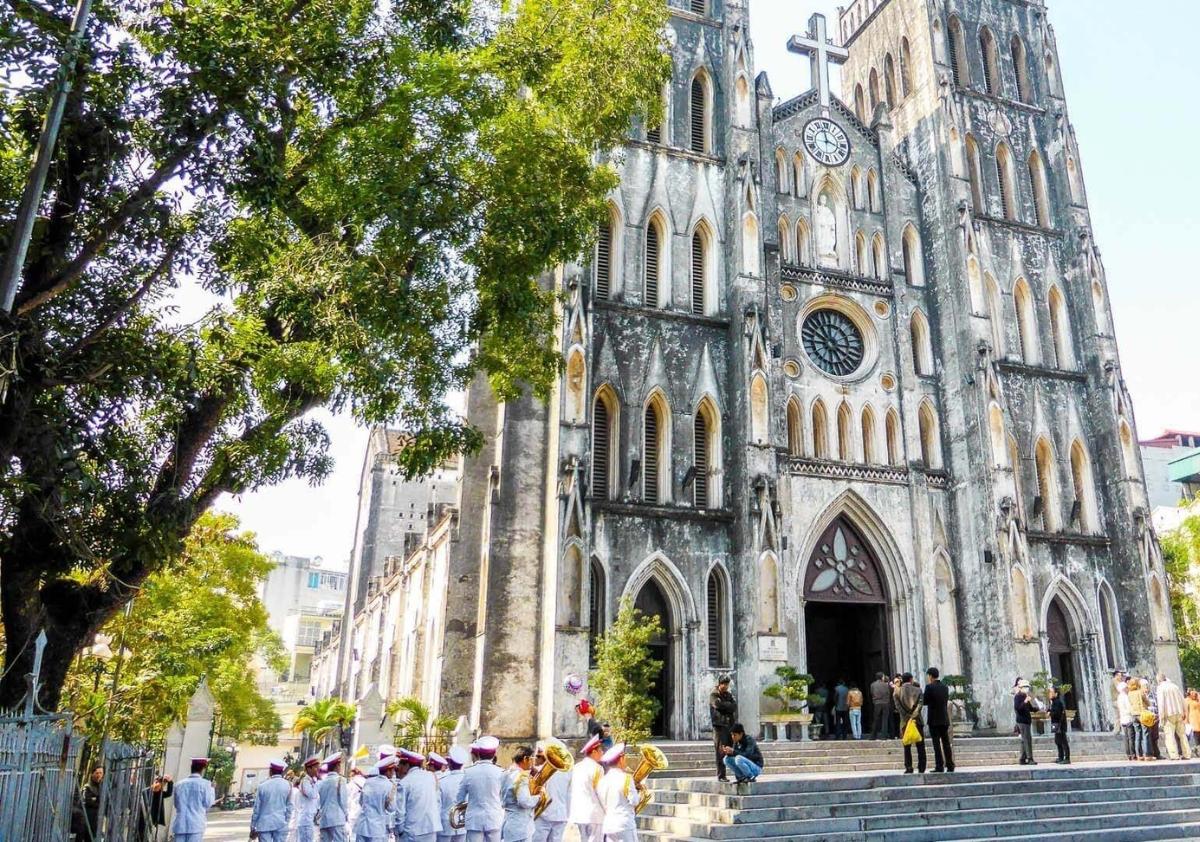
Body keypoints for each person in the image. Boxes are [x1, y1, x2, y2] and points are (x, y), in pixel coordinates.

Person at [457, 736, 506, 842]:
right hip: (495, 819)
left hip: (474, 820)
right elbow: (504, 797)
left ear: (478, 754)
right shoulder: (501, 772)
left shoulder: (469, 772)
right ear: (494, 755)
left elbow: (459, 798)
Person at [396, 748, 444, 842]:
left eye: (400, 765)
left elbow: (400, 812)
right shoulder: (431, 777)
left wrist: (400, 831)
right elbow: (438, 802)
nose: (399, 768)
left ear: (407, 765)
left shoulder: (405, 782)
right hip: (431, 828)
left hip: (412, 831)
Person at [596, 744, 638, 842]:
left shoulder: (602, 780)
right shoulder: (626, 778)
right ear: (621, 760)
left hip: (609, 824)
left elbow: (603, 803)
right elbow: (634, 801)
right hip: (624, 824)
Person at [568, 735, 605, 842]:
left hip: (579, 814)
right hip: (594, 814)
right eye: (600, 750)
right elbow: (601, 793)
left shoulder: (577, 767)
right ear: (593, 752)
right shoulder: (598, 768)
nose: (602, 753)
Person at [499, 746, 539, 841]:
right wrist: (539, 797)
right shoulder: (520, 776)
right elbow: (525, 802)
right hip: (520, 827)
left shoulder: (505, 773)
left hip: (510, 823)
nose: (533, 763)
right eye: (532, 759)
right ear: (525, 759)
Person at [170, 757, 216, 842]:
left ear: (191, 768)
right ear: (203, 769)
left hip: (180, 824)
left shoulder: (179, 784)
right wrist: (212, 789)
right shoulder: (206, 784)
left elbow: (176, 805)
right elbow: (208, 803)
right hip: (196, 825)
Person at [532, 743, 569, 842]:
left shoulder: (539, 771)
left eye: (538, 756)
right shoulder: (568, 772)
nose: (536, 758)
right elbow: (570, 795)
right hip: (561, 815)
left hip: (543, 815)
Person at [354, 757, 396, 842]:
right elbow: (391, 808)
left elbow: (361, 801)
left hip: (362, 826)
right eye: (392, 771)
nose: (393, 773)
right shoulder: (390, 785)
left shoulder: (368, 782)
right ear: (388, 771)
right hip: (378, 829)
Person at [251, 759, 293, 842]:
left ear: (271, 771)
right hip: (281, 823)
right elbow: (289, 806)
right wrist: (287, 822)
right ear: (282, 772)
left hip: (264, 824)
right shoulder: (288, 785)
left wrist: (253, 826)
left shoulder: (262, 786)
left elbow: (257, 809)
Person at [922, 667, 954, 773]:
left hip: (934, 719)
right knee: (946, 743)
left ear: (930, 676)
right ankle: (950, 764)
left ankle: (939, 765)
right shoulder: (945, 687)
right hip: (944, 718)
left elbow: (925, 701)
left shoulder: (929, 687)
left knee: (936, 744)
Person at [1156, 673, 1193, 760]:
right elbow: (1182, 700)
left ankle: (1174, 755)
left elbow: (1161, 704)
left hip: (1168, 714)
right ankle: (1187, 754)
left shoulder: (1160, 688)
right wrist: (1184, 712)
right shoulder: (1175, 686)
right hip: (1179, 712)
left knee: (1169, 735)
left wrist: (1161, 717)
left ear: (1159, 680)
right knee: (1182, 735)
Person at [437, 747, 470, 842]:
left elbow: (437, 805)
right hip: (463, 822)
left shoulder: (442, 781)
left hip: (445, 824)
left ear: (450, 763)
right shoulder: (467, 778)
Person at [895, 673, 925, 774]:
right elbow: (920, 705)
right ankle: (921, 767)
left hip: (904, 722)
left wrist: (907, 717)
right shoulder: (918, 690)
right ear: (911, 679)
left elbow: (898, 708)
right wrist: (914, 715)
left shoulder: (897, 692)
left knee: (906, 745)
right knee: (920, 745)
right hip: (917, 720)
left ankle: (909, 767)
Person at [317, 752, 350, 842]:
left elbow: (318, 801)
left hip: (324, 818)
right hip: (337, 818)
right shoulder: (340, 780)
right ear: (337, 766)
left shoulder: (321, 782)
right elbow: (343, 801)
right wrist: (346, 815)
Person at [709, 676, 737, 781]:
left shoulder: (728, 695)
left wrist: (726, 705)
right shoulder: (714, 695)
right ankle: (721, 775)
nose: (725, 686)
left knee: (730, 750)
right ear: (719, 684)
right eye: (723, 684)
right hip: (719, 727)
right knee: (720, 751)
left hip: (729, 725)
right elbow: (717, 705)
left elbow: (734, 706)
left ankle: (737, 774)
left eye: (727, 684)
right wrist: (727, 706)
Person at [297, 755, 323, 842]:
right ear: (309, 769)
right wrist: (318, 781)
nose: (318, 770)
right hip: (305, 819)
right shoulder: (305, 781)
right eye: (316, 768)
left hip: (309, 818)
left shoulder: (312, 781)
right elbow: (312, 794)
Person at [140, 773, 173, 842]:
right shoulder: (146, 791)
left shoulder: (160, 794)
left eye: (163, 784)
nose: (161, 785)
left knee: (149, 836)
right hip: (143, 817)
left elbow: (169, 793)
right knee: (141, 835)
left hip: (154, 819)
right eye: (159, 782)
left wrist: (170, 781)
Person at [1013, 679, 1037, 765]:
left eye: (1027, 687)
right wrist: (1025, 701)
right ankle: (1030, 758)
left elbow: (1030, 708)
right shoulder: (1018, 697)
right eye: (1025, 687)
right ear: (1021, 688)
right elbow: (1018, 708)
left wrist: (1036, 709)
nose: (1027, 689)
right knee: (1027, 740)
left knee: (1024, 740)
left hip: (1027, 721)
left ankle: (1022, 759)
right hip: (1022, 721)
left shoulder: (1025, 696)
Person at [1128, 676, 1151, 760]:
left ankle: (1139, 755)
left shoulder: (1129, 693)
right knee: (1146, 734)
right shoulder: (1139, 692)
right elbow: (1147, 702)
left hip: (1134, 714)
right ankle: (1147, 754)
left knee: (1138, 734)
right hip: (1142, 714)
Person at [1047, 688, 1071, 765]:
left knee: (1063, 741)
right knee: (1058, 741)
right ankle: (1060, 757)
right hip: (1056, 724)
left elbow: (1057, 713)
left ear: (1056, 694)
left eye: (1051, 692)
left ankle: (1067, 758)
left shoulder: (1058, 702)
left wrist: (1050, 713)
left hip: (1060, 725)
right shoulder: (1053, 702)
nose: (1049, 694)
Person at [1117, 681, 1136, 761]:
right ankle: (1133, 753)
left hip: (1123, 719)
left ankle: (1128, 754)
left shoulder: (1119, 697)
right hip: (1128, 718)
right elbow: (1129, 708)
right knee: (1131, 737)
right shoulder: (1125, 697)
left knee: (1126, 737)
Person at [869, 673, 891, 740]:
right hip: (885, 703)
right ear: (882, 677)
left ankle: (873, 736)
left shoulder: (872, 685)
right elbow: (888, 693)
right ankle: (884, 735)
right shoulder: (886, 685)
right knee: (885, 719)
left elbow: (872, 693)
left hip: (877, 703)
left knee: (876, 719)